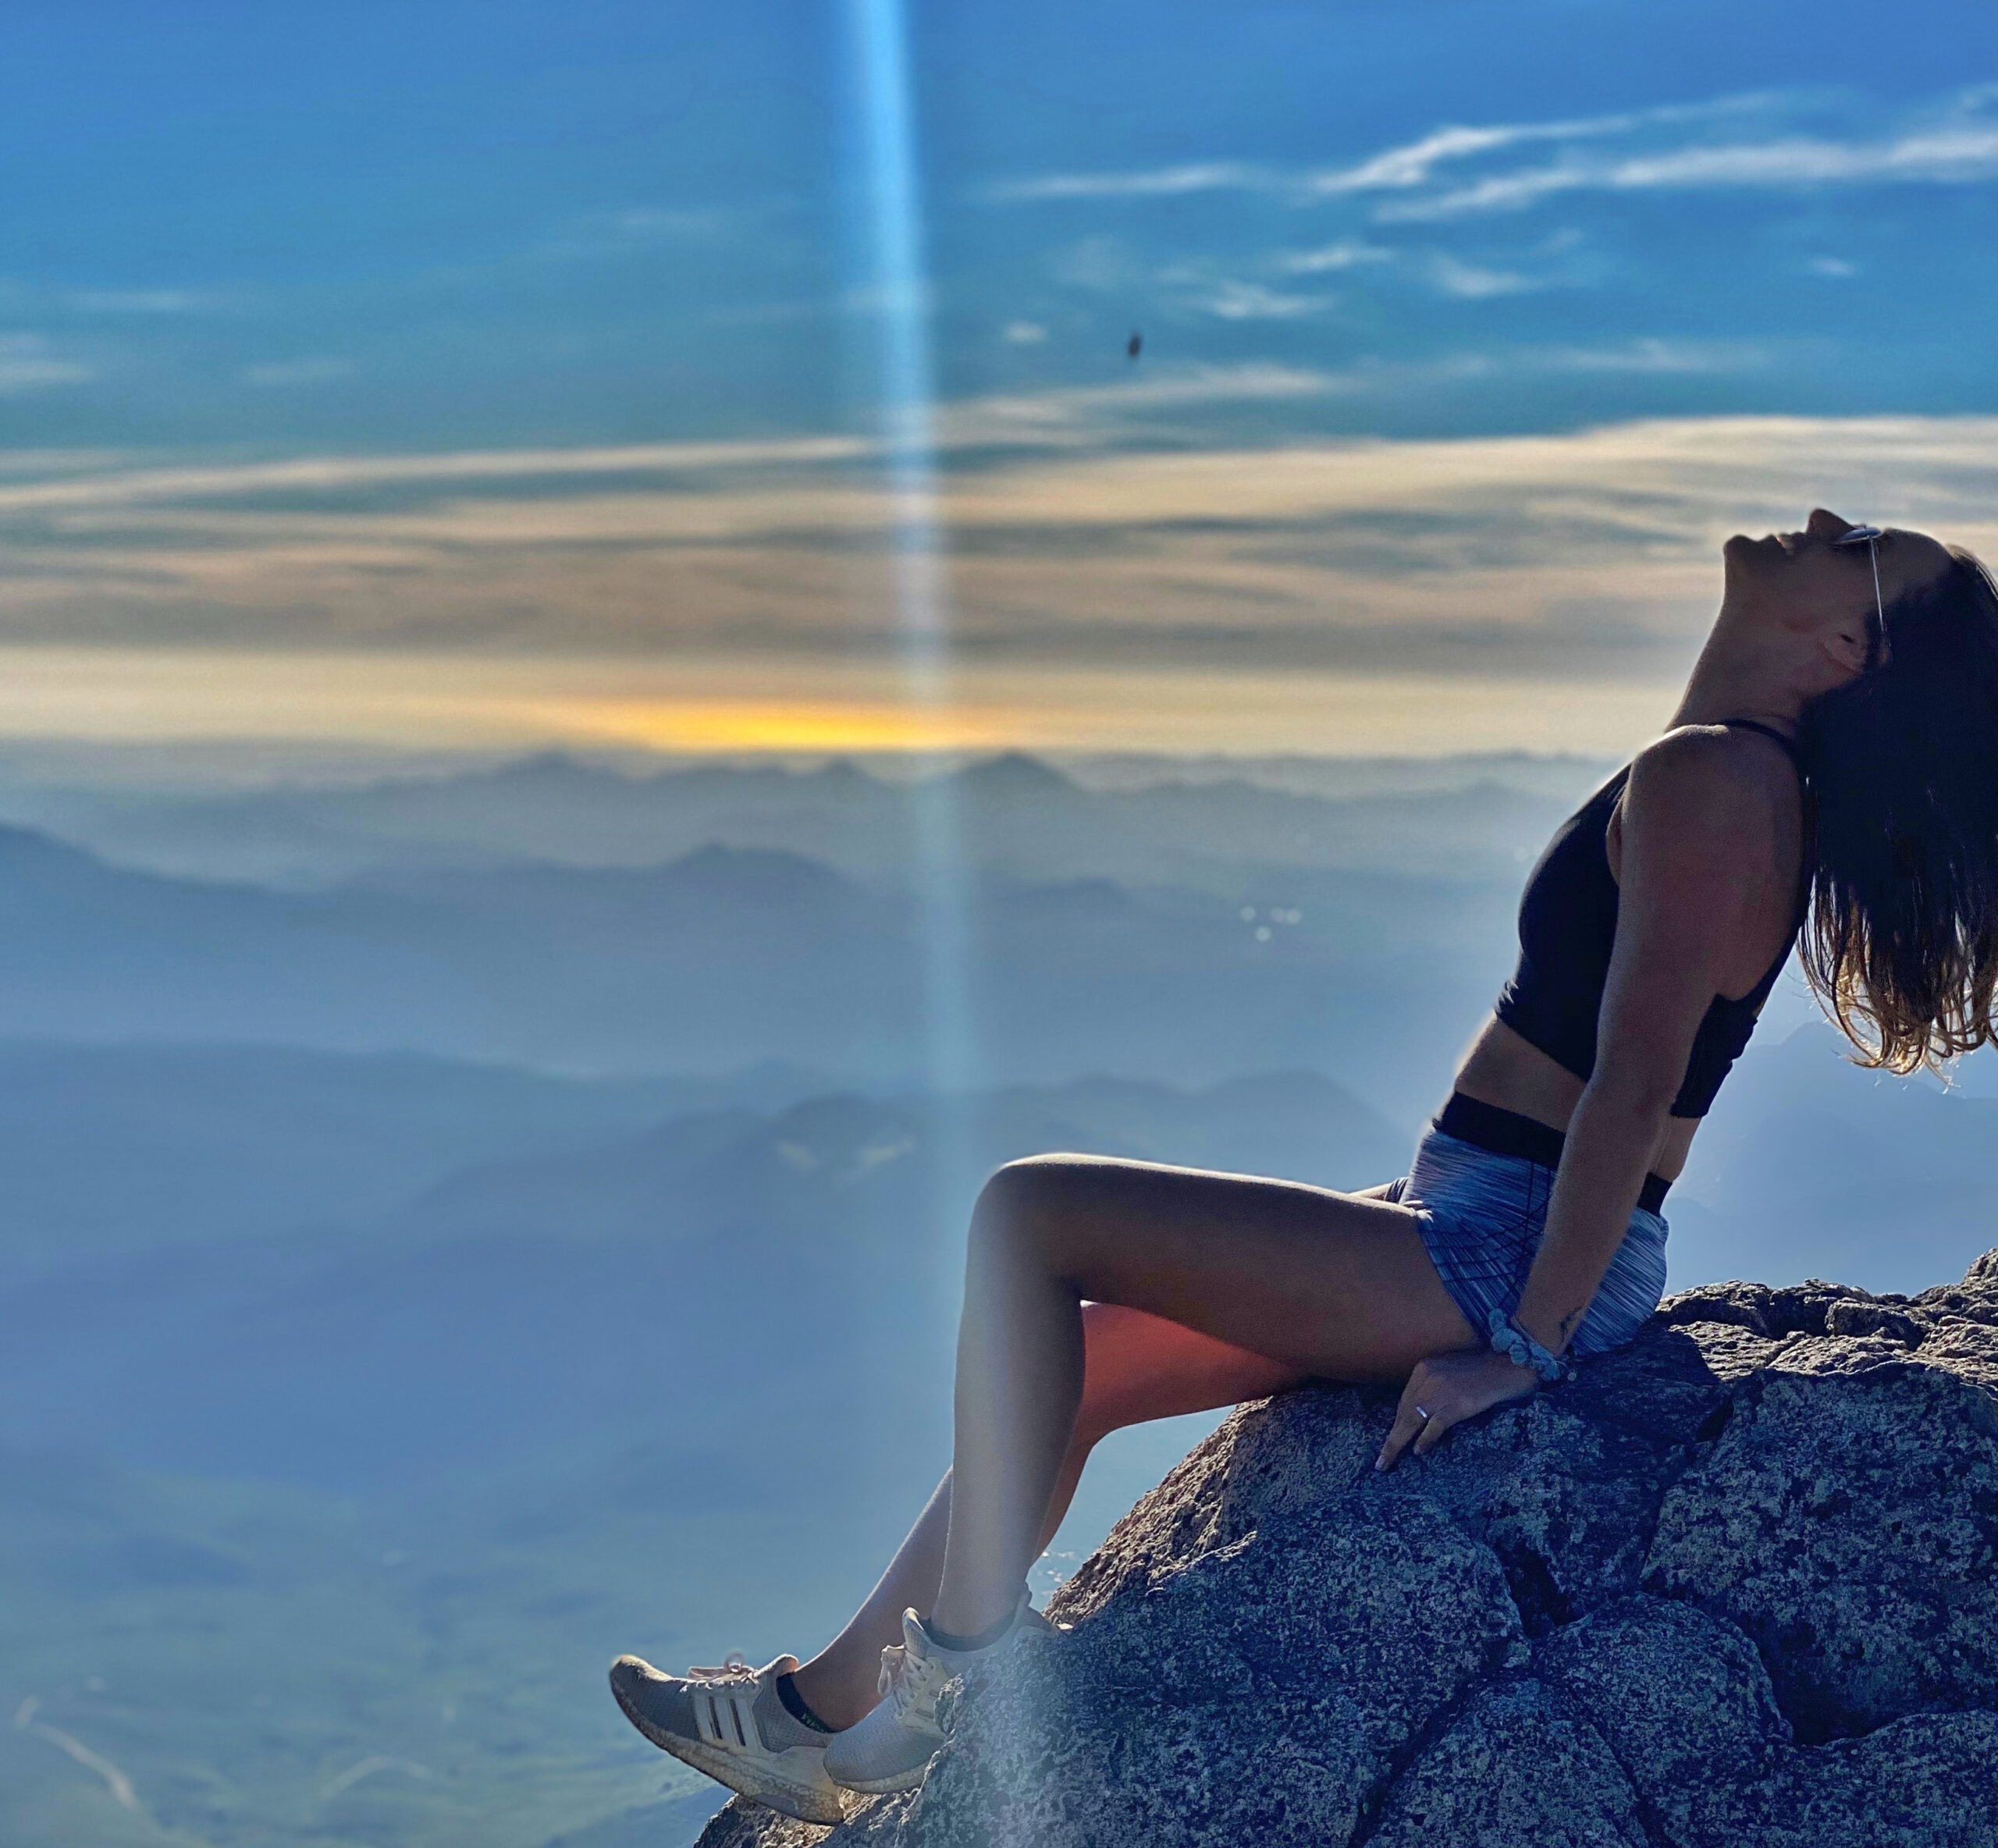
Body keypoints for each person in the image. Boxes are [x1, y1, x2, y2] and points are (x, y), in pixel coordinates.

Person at [607, 510, 1998, 1822]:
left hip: (1510, 1249)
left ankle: (965, 1663)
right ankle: (820, 1717)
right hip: (1479, 1215)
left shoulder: (1718, 778)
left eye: (1859, 549)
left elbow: (1635, 1084)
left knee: (1028, 1213)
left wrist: (1528, 1337)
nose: (1822, 522)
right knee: (1073, 1366)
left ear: (1846, 651)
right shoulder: (1724, 769)